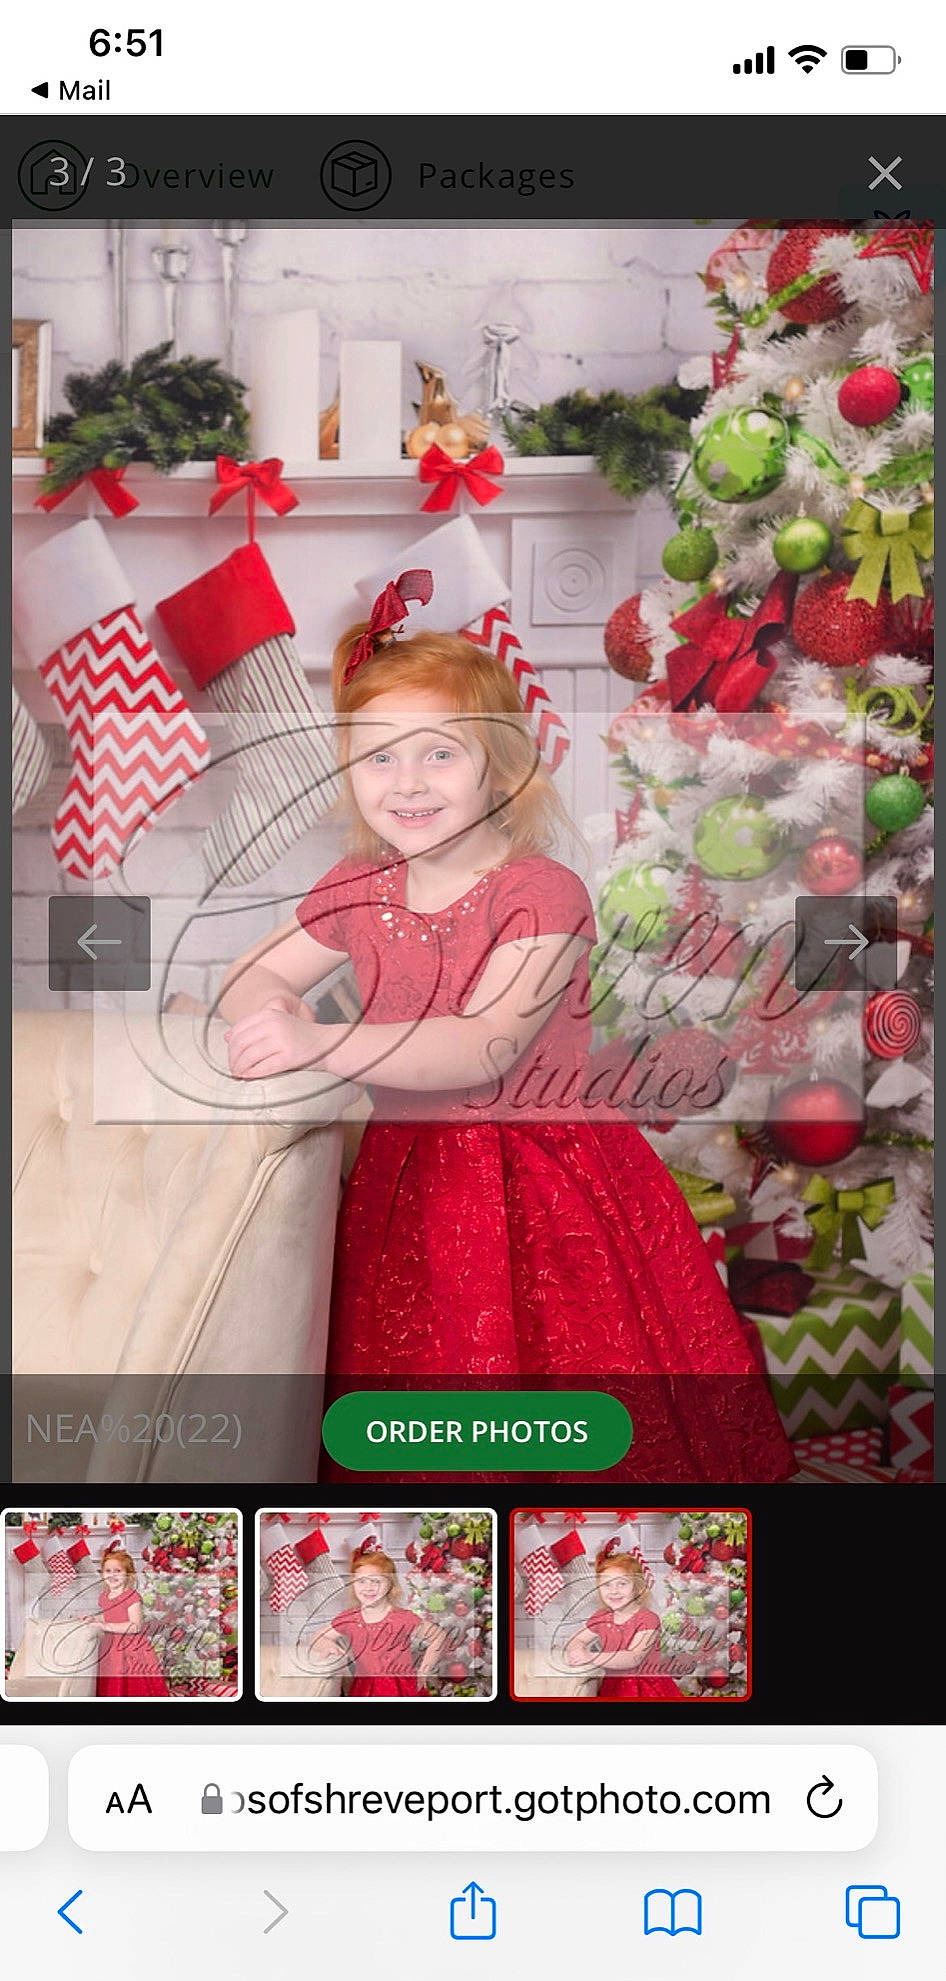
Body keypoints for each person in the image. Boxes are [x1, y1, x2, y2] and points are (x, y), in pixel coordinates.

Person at [219, 570, 797, 1483]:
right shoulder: (359, 886)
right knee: (422, 1369)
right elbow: (249, 979)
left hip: (545, 1177)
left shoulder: (542, 893)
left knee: (569, 1373)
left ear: (500, 764)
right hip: (411, 1178)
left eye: (437, 754)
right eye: (378, 757)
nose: (405, 783)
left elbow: (482, 1043)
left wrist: (320, 1039)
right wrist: (272, 1009)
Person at [308, 1540, 446, 1697]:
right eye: (361, 1581)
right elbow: (316, 1636)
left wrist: (423, 1671)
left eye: (376, 1581)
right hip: (365, 1690)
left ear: (389, 1585)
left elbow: (438, 1636)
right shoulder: (351, 1618)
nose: (368, 1587)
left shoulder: (401, 1618)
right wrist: (326, 1644)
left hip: (402, 1690)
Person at [564, 1544, 682, 1701]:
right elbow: (576, 1639)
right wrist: (577, 1651)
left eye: (622, 1584)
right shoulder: (602, 1617)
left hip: (646, 1688)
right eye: (607, 1584)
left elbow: (633, 1657)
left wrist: (591, 1656)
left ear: (636, 1587)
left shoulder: (647, 1619)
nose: (614, 1590)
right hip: (613, 1687)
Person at [82, 1545, 169, 1698]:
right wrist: (95, 1619)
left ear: (128, 1575)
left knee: (133, 1684)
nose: (112, 1575)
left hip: (131, 1648)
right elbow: (108, 1616)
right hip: (110, 1646)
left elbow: (135, 1626)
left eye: (118, 1571)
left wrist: (104, 1626)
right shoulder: (104, 1596)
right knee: (112, 1681)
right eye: (108, 1571)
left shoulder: (131, 1596)